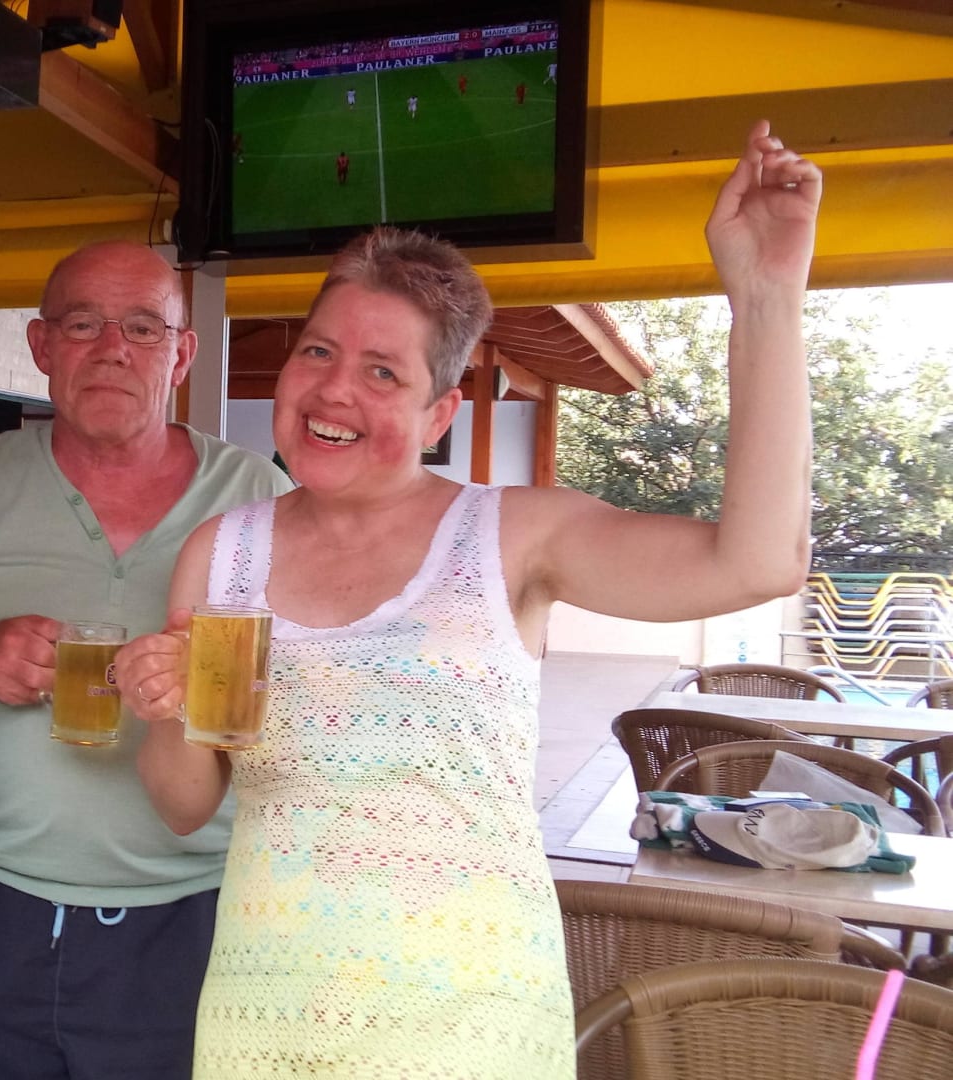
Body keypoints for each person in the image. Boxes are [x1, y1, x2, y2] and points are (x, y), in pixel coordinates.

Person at [116, 120, 821, 1078]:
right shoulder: (222, 552)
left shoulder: (514, 534)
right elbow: (185, 805)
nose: (335, 390)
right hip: (268, 1016)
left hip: (470, 1026)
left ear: (439, 412)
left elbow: (759, 562)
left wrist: (766, 298)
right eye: (318, 351)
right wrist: (164, 707)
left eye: (383, 371)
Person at [0, 241, 292, 1079]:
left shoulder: (257, 498)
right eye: (83, 323)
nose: (113, 348)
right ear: (41, 345)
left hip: (193, 915)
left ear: (182, 354)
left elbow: (299, 708)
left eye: (143, 327)